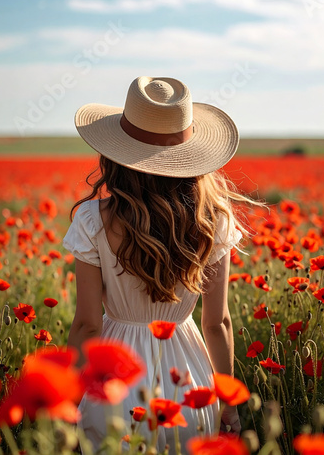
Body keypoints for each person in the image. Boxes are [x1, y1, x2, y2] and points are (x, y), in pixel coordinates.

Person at [63, 76, 248, 453]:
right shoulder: (213, 220)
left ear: (117, 154)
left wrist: (65, 399)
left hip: (114, 385)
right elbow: (217, 324)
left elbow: (86, 324)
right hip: (188, 386)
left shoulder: (91, 220)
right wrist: (228, 405)